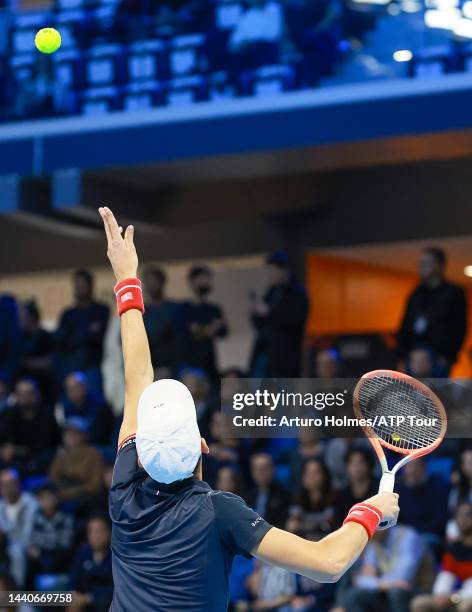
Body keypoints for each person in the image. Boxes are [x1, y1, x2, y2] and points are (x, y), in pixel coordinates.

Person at [99, 206, 399, 611]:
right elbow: (328, 562)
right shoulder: (218, 511)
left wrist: (126, 278)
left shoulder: (123, 490)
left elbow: (137, 376)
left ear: (139, 451)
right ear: (203, 445)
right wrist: (371, 510)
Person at [397, 247, 467, 375]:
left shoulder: (454, 293)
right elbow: (405, 325)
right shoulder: (415, 293)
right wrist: (402, 356)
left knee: (435, 393)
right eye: (421, 263)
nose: (422, 267)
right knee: (410, 393)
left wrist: (446, 357)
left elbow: (459, 328)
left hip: (439, 357)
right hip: (413, 354)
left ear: (440, 266)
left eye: (427, 263)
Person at [249, 250, 309, 378]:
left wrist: (268, 312)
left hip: (285, 359)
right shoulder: (272, 292)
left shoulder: (297, 294)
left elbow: (295, 321)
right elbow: (260, 322)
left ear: (284, 270)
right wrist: (256, 312)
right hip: (265, 355)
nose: (271, 275)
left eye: (274, 271)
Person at [343, 525, 425, 612]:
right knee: (353, 595)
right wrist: (383, 584)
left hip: (412, 589)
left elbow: (403, 577)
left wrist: (377, 582)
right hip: (386, 590)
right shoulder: (374, 543)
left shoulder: (407, 536)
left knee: (396, 592)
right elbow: (361, 580)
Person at [55, 269, 110, 394]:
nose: (80, 288)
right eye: (77, 284)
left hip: (92, 365)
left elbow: (98, 336)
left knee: (96, 404)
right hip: (71, 366)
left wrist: (77, 335)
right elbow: (61, 340)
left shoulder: (101, 310)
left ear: (90, 286)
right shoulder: (68, 314)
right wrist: (87, 332)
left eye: (83, 284)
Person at [411, 501, 472, 612]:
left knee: (465, 606)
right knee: (419, 603)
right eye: (459, 515)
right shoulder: (453, 548)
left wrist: (455, 597)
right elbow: (446, 575)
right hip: (454, 597)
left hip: (463, 597)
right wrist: (441, 595)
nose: (463, 519)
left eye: (468, 514)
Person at [0, 378, 59, 476]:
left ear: (38, 394)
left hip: (37, 463)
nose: (26, 397)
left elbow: (42, 447)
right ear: (16, 396)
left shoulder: (47, 416)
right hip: (10, 462)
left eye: (29, 393)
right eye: (21, 394)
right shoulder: (8, 414)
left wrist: (15, 450)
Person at [180, 265, 229, 379]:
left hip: (211, 366)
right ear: (192, 281)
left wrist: (203, 329)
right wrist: (212, 328)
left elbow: (224, 331)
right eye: (202, 279)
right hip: (190, 366)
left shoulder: (214, 309)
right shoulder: (183, 309)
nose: (206, 282)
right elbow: (192, 333)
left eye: (208, 279)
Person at [48, 418, 105, 513]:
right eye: (67, 433)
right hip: (63, 493)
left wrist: (74, 491)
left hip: (85, 497)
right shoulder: (62, 454)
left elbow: (95, 484)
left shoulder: (94, 454)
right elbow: (53, 477)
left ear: (83, 435)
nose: (70, 436)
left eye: (75, 433)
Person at [396, 458, 449, 553]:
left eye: (415, 465)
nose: (412, 470)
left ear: (424, 466)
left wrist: (413, 534)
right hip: (403, 535)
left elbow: (439, 522)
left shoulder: (437, 486)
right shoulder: (398, 488)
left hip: (427, 535)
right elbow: (395, 520)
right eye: (408, 466)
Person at [27, 484, 74, 582]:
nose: (46, 501)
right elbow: (33, 540)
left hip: (59, 555)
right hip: (41, 555)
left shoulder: (66, 517)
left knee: (53, 559)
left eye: (49, 497)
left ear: (57, 499)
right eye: (42, 498)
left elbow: (65, 543)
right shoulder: (36, 518)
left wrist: (43, 551)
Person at [0, 469, 38, 587]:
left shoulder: (31, 503)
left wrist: (8, 535)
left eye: (10, 484)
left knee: (15, 551)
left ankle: (16, 593)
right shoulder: (0, 506)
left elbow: (27, 533)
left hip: (28, 546)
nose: (7, 488)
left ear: (18, 484)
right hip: (4, 546)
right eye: (3, 485)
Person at [69, 515, 113, 612]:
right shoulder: (82, 552)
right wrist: (73, 595)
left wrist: (89, 598)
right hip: (81, 600)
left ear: (109, 532)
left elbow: (115, 588)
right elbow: (74, 579)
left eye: (99, 531)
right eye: (91, 531)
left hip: (105, 601)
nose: (95, 535)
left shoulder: (117, 556)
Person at [142, 267, 181, 376]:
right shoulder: (140, 311)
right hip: (147, 366)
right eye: (148, 281)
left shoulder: (174, 308)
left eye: (155, 280)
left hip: (172, 364)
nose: (152, 284)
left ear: (162, 282)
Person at [57, 372, 114, 445]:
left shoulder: (100, 405)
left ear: (85, 386)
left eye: (77, 387)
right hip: (72, 447)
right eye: (70, 389)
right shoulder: (63, 407)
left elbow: (101, 434)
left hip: (96, 446)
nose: (74, 391)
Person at [288, 458, 336, 540]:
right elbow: (292, 525)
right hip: (303, 543)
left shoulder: (333, 498)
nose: (312, 476)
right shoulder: (297, 498)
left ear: (324, 475)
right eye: (308, 473)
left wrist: (304, 525)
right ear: (303, 477)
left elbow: (330, 526)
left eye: (316, 472)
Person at [18, 300, 55, 403]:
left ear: (32, 318)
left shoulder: (47, 337)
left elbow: (50, 362)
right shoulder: (20, 338)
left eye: (23, 317)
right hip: (23, 392)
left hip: (45, 388)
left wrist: (26, 363)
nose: (20, 320)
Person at [334, 448, 378, 528]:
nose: (356, 467)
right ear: (347, 467)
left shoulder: (379, 492)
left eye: (361, 462)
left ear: (369, 465)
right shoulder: (342, 495)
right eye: (352, 463)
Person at [246, 453, 290, 529]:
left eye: (265, 468)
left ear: (273, 469)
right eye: (258, 469)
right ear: (252, 472)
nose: (261, 472)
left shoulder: (284, 495)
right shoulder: (245, 496)